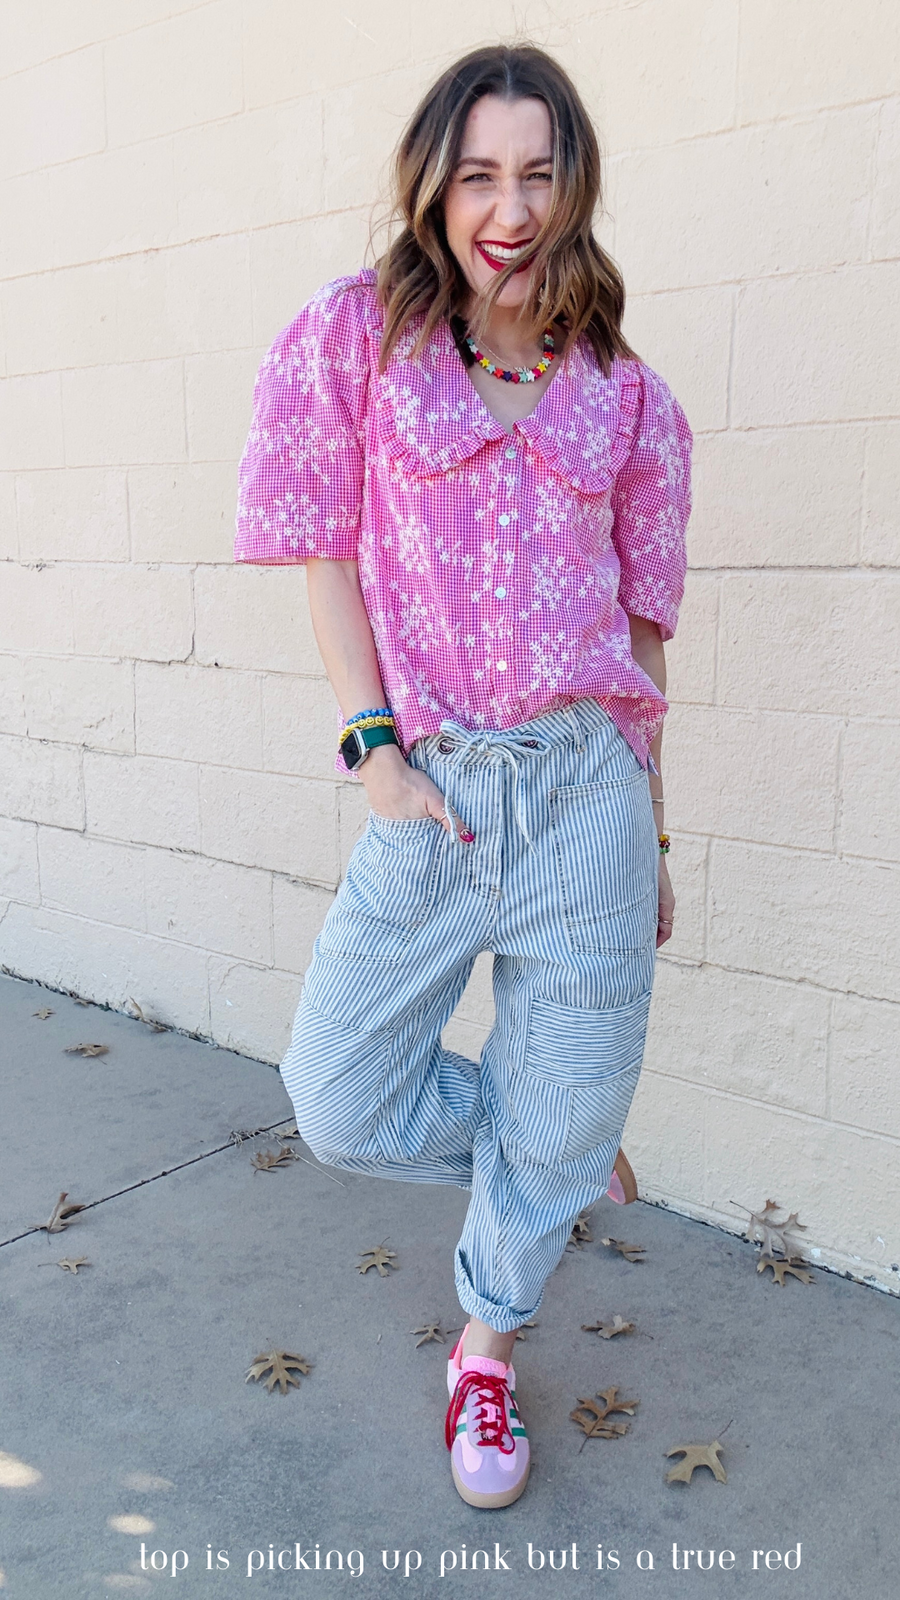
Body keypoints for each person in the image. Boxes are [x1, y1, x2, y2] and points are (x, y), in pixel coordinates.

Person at [234, 43, 691, 1509]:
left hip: (589, 799)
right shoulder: (353, 341)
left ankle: (486, 1345)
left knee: (563, 1110)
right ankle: (541, 1158)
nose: (509, 206)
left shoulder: (629, 400)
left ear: (575, 190)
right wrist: (375, 756)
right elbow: (323, 553)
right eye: (481, 172)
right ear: (436, 182)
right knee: (340, 1097)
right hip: (432, 794)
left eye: (539, 174)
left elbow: (638, 640)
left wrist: (659, 840)